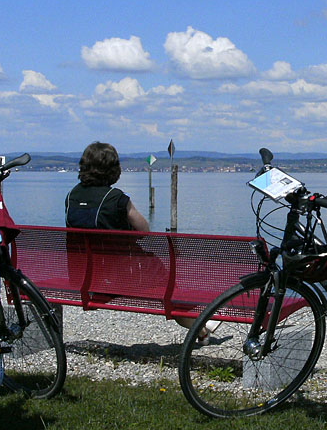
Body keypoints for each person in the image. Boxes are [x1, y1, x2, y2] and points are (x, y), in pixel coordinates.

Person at [65, 142, 216, 341]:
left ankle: (201, 325)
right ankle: (201, 326)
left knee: (164, 284)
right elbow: (144, 229)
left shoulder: (71, 196)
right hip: (121, 278)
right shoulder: (116, 198)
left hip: (83, 277)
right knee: (168, 288)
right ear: (113, 169)